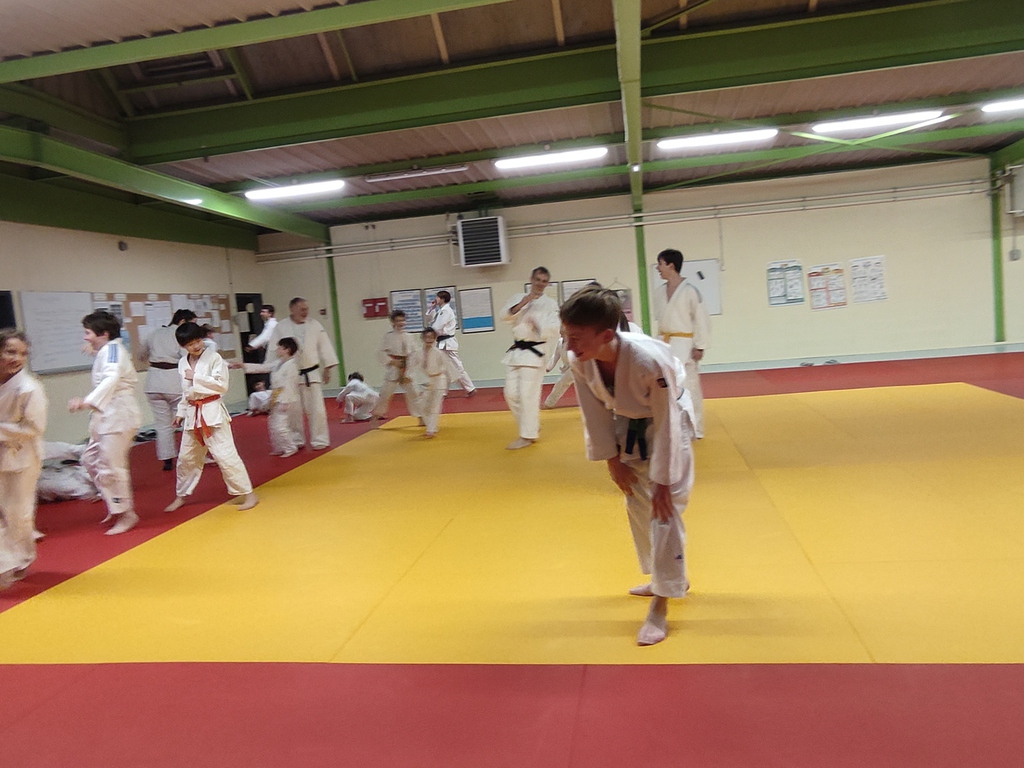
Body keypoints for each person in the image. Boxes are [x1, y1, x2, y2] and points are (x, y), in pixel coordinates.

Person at [560, 286, 696, 646]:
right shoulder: (580, 358)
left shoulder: (650, 360)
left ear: (607, 335)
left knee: (664, 511)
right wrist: (612, 459)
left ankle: (661, 604)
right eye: (566, 335)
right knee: (636, 501)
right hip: (627, 424)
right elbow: (593, 413)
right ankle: (667, 577)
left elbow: (667, 421)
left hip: (670, 423)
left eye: (576, 336)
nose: (569, 344)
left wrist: (663, 480)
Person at [164, 322, 259, 512]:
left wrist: (196, 377)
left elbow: (222, 386)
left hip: (213, 412)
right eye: (191, 344)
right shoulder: (182, 363)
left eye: (198, 341)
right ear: (183, 346)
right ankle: (181, 495)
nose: (196, 346)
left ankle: (248, 494)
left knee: (225, 455)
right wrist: (180, 412)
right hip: (193, 414)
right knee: (186, 458)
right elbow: (186, 392)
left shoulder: (215, 358)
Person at [68, 310, 143, 535]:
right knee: (90, 459)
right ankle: (114, 504)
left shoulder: (113, 351)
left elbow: (111, 377)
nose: (85, 337)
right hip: (106, 415)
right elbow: (109, 368)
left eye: (88, 333)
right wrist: (94, 351)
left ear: (104, 334)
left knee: (112, 466)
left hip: (118, 415)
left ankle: (126, 513)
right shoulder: (108, 350)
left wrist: (86, 402)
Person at [0, 330, 47, 589]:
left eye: (23, 354)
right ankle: (8, 562)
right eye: (10, 352)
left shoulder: (29, 387)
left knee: (18, 513)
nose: (17, 358)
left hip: (22, 455)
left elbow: (34, 427)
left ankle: (20, 560)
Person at [500, 266, 560, 449]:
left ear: (547, 283)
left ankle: (527, 435)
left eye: (544, 281)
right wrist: (522, 303)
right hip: (517, 352)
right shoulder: (519, 297)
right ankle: (531, 425)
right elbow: (505, 316)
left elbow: (555, 328)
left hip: (535, 352)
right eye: (538, 280)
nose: (541, 284)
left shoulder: (550, 304)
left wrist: (538, 324)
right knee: (510, 394)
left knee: (528, 395)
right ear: (531, 279)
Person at [654, 248, 710, 438]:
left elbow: (701, 319)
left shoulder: (690, 291)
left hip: (684, 343)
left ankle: (696, 428)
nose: (658, 268)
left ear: (671, 265)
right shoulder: (659, 292)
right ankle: (673, 427)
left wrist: (700, 345)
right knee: (665, 387)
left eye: (660, 264)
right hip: (664, 343)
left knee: (690, 386)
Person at [268, 297, 338, 450]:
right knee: (293, 411)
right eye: (302, 309)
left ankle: (320, 439)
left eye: (306, 309)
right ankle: (296, 439)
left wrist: (328, 368)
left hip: (311, 374)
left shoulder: (315, 325)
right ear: (292, 309)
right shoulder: (281, 327)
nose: (305, 312)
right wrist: (273, 374)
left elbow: (325, 346)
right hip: (290, 377)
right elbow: (273, 350)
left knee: (317, 410)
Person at [137, 308, 195, 471]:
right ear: (182, 321)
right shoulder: (180, 335)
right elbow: (187, 358)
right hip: (173, 382)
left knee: (162, 425)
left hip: (153, 382)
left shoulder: (153, 333)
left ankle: (167, 459)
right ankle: (193, 455)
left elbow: (140, 356)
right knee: (187, 420)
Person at [234, 337, 300, 458]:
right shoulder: (278, 363)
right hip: (275, 395)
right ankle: (279, 447)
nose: (277, 350)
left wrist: (285, 401)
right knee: (273, 423)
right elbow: (263, 367)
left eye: (280, 348)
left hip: (285, 397)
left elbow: (290, 385)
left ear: (287, 350)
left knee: (280, 425)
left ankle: (290, 447)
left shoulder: (292, 366)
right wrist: (243, 365)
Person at [372, 309, 421, 421]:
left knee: (414, 393)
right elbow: (380, 353)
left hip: (407, 367)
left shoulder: (409, 336)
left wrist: (409, 368)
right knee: (385, 394)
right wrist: (392, 361)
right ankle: (377, 415)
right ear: (393, 322)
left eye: (403, 320)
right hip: (394, 368)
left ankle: (420, 416)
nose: (401, 323)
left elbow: (415, 353)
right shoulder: (388, 337)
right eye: (398, 321)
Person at [425, 290, 476, 397]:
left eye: (438, 297)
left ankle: (470, 388)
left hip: (447, 343)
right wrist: (431, 308)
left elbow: (438, 326)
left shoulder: (446, 311)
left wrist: (429, 334)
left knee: (457, 367)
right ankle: (443, 391)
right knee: (443, 367)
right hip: (441, 342)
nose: (436, 299)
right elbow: (429, 319)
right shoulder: (440, 311)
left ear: (442, 299)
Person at [410, 328, 446, 438]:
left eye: (431, 337)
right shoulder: (418, 353)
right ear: (422, 338)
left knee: (435, 406)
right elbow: (411, 366)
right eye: (427, 337)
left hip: (439, 380)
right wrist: (408, 376)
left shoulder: (439, 353)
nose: (429, 340)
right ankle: (430, 425)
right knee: (421, 405)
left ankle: (431, 429)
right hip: (425, 381)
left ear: (435, 339)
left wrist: (436, 374)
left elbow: (446, 367)